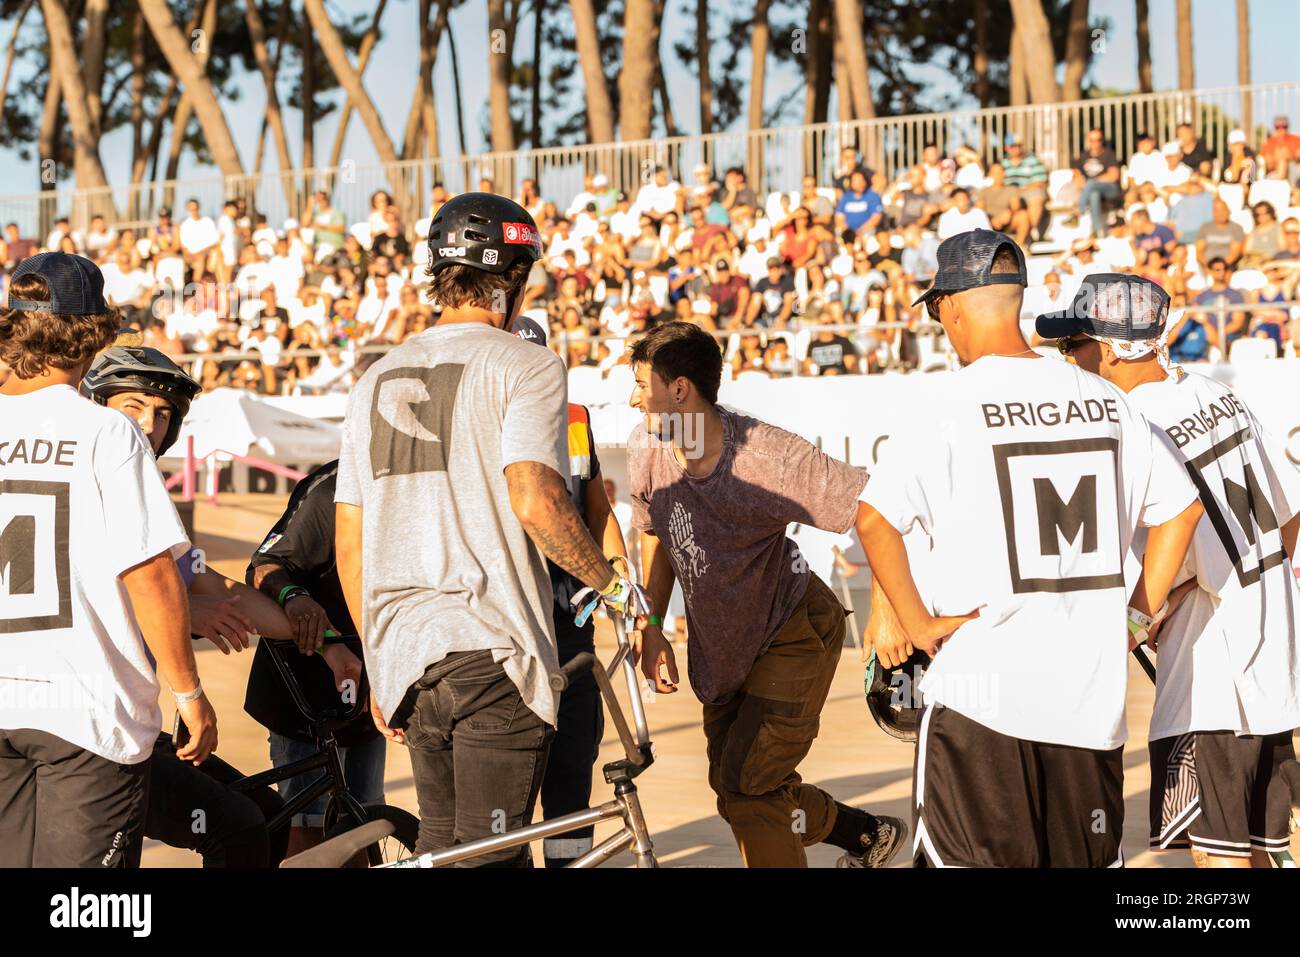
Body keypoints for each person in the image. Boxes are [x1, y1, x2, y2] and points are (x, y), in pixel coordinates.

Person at [857, 231, 1203, 867]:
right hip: (1089, 711)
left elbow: (875, 520)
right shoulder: (1104, 399)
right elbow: (1181, 510)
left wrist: (917, 624)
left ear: (953, 307)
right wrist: (1136, 615)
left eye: (936, 310)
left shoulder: (947, 406)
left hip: (980, 705)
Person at [334, 193, 649, 866]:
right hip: (494, 649)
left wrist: (382, 657)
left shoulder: (373, 380)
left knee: (445, 851)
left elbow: (350, 543)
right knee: (490, 854)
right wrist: (616, 590)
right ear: (513, 276)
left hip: (409, 657)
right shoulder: (525, 364)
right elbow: (537, 501)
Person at [627, 320, 906, 868]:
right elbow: (656, 534)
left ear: (679, 390)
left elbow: (879, 510)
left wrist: (889, 615)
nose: (633, 399)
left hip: (793, 630)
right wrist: (652, 625)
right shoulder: (648, 449)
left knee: (750, 785)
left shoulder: (768, 457)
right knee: (735, 789)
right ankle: (866, 836)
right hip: (723, 647)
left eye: (641, 384)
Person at [1045, 275, 1300, 869]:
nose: (1067, 358)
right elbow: (1287, 518)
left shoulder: (1129, 423)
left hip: (1211, 675)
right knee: (1262, 851)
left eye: (1072, 344)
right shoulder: (1215, 392)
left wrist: (1147, 610)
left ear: (1107, 348)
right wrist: (1211, 577)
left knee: (1217, 860)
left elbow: (1178, 528)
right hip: (1270, 665)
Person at [0, 253, 214, 867]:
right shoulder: (105, 432)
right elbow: (148, 574)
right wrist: (189, 691)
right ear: (93, 336)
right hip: (86, 710)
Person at [83, 344, 310, 868]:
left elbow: (215, 586)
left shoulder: (143, 493)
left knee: (260, 814)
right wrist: (184, 614)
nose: (148, 425)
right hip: (85, 730)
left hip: (125, 723)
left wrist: (317, 635)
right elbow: (111, 589)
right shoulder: (89, 481)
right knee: (239, 828)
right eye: (133, 407)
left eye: (162, 414)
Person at [510, 314, 631, 866]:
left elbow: (598, 508)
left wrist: (620, 574)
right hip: (506, 630)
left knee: (571, 778)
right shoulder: (477, 423)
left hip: (572, 629)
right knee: (507, 790)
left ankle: (566, 863)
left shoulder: (574, 420)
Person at [245, 460, 381, 860]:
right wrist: (296, 598)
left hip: (367, 691)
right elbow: (264, 567)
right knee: (309, 830)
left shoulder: (419, 485)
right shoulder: (330, 490)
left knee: (365, 825)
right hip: (303, 692)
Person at [1072, 128, 1123, 237]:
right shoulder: (1083, 156)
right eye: (1092, 140)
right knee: (1094, 194)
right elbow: (1076, 175)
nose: (1095, 143)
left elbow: (1113, 176)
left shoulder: (1109, 155)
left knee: (1091, 184)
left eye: (1098, 140)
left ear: (1102, 140)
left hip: (1110, 190)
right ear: (1088, 141)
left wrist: (1093, 182)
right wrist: (1082, 183)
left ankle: (1079, 211)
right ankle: (1097, 231)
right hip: (1092, 192)